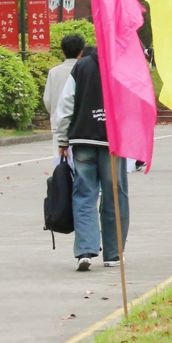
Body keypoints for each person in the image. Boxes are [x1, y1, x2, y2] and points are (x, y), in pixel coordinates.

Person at [54, 42, 129, 270]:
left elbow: (66, 104)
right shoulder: (124, 66)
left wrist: (62, 139)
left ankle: (85, 251)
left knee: (84, 194)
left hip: (83, 138)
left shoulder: (81, 66)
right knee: (114, 195)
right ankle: (113, 254)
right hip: (113, 142)